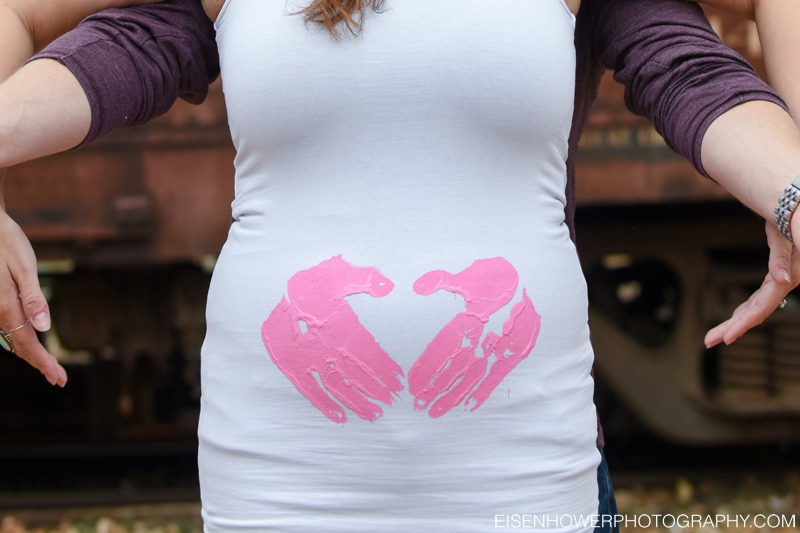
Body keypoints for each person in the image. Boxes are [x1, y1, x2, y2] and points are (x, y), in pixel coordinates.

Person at [1, 0, 799, 531]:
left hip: (528, 485)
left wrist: (793, 195)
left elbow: (690, 73)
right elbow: (86, 41)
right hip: (278, 493)